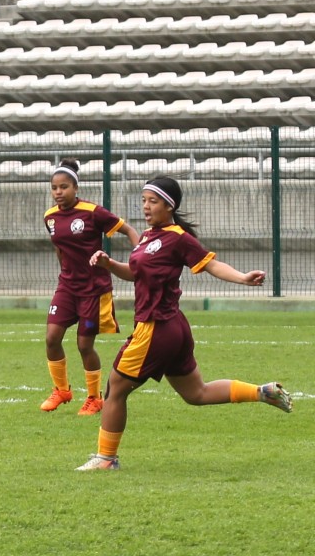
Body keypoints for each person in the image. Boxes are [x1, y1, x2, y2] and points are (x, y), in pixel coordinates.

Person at [78, 176, 292, 471]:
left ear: (170, 205)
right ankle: (262, 392)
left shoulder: (177, 237)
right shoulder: (148, 238)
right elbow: (135, 272)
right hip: (172, 327)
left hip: (156, 327)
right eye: (143, 200)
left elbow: (211, 263)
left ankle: (106, 459)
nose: (146, 206)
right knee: (196, 393)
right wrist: (109, 265)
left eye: (153, 201)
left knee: (115, 389)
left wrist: (243, 277)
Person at [40, 158, 140, 415]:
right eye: (54, 188)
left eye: (64, 187)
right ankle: (61, 390)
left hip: (93, 289)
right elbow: (59, 247)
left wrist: (141, 256)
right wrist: (64, 270)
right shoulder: (49, 217)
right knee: (52, 338)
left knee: (84, 345)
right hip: (67, 286)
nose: (58, 192)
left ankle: (95, 398)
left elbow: (127, 230)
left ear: (75, 188)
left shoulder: (93, 212)